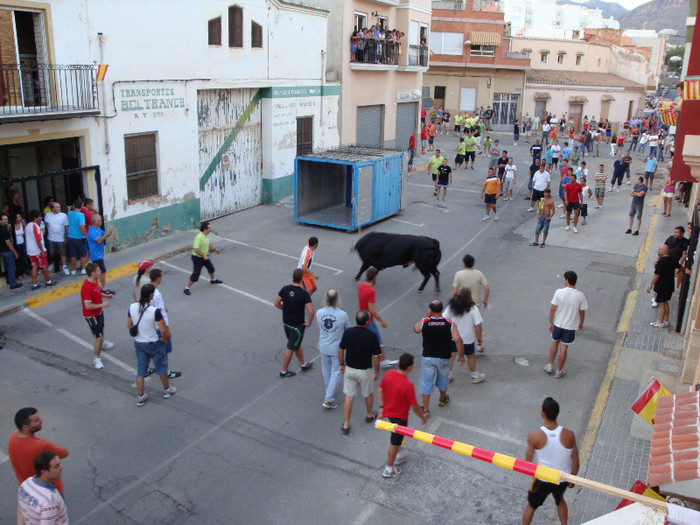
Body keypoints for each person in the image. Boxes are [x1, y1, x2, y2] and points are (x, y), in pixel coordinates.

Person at [521, 397, 579, 525]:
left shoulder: (534, 436)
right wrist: (573, 477)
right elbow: (575, 459)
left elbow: (527, 462)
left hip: (543, 479)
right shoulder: (569, 435)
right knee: (559, 500)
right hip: (562, 477)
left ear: (543, 413)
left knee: (531, 506)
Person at [377, 352, 427, 478]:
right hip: (400, 418)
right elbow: (414, 406)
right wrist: (422, 417)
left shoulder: (390, 374)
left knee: (396, 439)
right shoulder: (407, 385)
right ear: (409, 367)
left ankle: (398, 452)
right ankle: (389, 468)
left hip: (389, 413)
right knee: (394, 442)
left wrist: (382, 407)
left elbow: (379, 389)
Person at [128, 283, 176, 406]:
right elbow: (163, 329)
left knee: (141, 370)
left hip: (139, 343)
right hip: (153, 342)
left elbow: (129, 325)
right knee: (161, 367)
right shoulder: (154, 311)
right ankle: (166, 390)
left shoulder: (132, 307)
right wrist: (164, 339)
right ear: (150, 295)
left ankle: (140, 396)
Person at [414, 300, 464, 416]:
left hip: (428, 358)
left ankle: (426, 409)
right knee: (443, 379)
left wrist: (427, 315)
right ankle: (442, 399)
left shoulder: (425, 321)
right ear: (442, 310)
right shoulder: (450, 323)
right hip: (444, 358)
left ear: (430, 310)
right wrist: (461, 355)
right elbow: (458, 340)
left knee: (426, 382)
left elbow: (416, 329)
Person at [338, 310, 382, 435]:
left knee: (349, 396)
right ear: (367, 322)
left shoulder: (348, 332)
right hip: (365, 371)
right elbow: (376, 356)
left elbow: (340, 350)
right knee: (368, 394)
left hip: (350, 370)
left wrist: (342, 364)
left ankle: (346, 424)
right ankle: (369, 414)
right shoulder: (372, 336)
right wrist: (377, 371)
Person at [8, 408, 69, 495]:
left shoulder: (13, 436)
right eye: (36, 420)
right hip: (49, 491)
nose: (41, 420)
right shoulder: (42, 445)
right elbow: (65, 453)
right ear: (25, 427)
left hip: (27, 489)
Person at [544, 271, 587, 379]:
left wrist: (550, 322)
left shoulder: (559, 292)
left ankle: (549, 365)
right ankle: (559, 371)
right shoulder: (580, 296)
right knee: (564, 348)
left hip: (558, 324)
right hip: (570, 326)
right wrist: (581, 322)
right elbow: (582, 311)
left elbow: (553, 308)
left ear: (567, 280)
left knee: (555, 343)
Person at [274, 268, 314, 377]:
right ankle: (284, 371)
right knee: (291, 346)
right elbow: (311, 311)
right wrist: (309, 322)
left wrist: (285, 308)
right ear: (301, 279)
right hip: (297, 327)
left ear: (292, 276)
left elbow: (276, 303)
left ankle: (303, 363)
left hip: (286, 323)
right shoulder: (303, 294)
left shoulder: (285, 289)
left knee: (296, 343)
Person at [443, 287, 485, 384]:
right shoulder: (473, 309)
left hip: (453, 337)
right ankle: (474, 376)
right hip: (467, 338)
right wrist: (479, 338)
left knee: (451, 355)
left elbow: (444, 318)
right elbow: (478, 325)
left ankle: (448, 375)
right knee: (470, 356)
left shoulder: (451, 306)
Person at [316, 289, 349, 409]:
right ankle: (329, 398)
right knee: (336, 371)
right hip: (336, 347)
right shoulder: (342, 315)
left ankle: (329, 390)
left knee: (326, 369)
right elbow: (347, 330)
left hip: (323, 345)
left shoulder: (319, 312)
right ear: (337, 300)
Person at [357, 266, 395, 367]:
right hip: (368, 319)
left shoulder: (361, 286)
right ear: (375, 277)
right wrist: (381, 320)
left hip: (360, 315)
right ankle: (383, 360)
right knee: (378, 340)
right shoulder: (371, 291)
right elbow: (371, 309)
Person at [148, 268, 181, 379]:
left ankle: (146, 368)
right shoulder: (156, 294)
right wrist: (167, 330)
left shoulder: (147, 289)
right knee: (164, 350)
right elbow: (162, 315)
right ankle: (165, 371)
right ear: (158, 278)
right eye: (161, 276)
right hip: (158, 326)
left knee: (151, 349)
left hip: (150, 325)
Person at [17, 452, 69, 525]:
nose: (61, 467)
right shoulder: (50, 500)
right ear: (44, 472)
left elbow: (20, 510)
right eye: (57, 466)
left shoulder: (26, 484)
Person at [81, 262, 114, 370]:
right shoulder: (86, 287)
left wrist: (106, 296)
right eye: (98, 271)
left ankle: (102, 343)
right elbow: (87, 306)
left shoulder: (94, 282)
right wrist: (102, 304)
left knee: (101, 330)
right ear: (92, 273)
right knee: (98, 337)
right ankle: (97, 358)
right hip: (92, 316)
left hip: (99, 312)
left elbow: (97, 292)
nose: (100, 272)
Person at [183, 221, 223, 295]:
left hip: (205, 257)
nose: (210, 229)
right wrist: (203, 256)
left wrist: (214, 250)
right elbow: (195, 249)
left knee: (211, 268)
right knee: (196, 274)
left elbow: (208, 244)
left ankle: (213, 280)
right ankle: (186, 288)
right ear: (205, 229)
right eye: (209, 228)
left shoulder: (205, 236)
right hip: (197, 258)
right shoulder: (199, 237)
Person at [647, 244, 679, 328]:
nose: (658, 251)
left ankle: (660, 322)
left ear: (664, 251)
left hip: (662, 286)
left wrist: (650, 286)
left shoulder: (662, 261)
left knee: (661, 304)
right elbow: (679, 267)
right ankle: (666, 320)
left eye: (659, 249)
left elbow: (657, 275)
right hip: (670, 285)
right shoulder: (672, 259)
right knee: (665, 303)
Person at [24, 210, 57, 290]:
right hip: (38, 250)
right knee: (44, 265)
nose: (41, 218)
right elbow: (38, 240)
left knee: (34, 265)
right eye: (39, 216)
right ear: (35, 217)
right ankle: (48, 281)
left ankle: (34, 284)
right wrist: (42, 251)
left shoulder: (27, 226)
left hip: (31, 250)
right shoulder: (35, 226)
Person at [87, 214, 115, 295]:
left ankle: (97, 287)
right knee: (101, 271)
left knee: (98, 272)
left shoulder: (97, 229)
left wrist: (109, 231)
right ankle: (103, 288)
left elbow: (105, 234)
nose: (101, 222)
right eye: (99, 221)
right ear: (94, 221)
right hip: (96, 255)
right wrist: (107, 234)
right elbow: (99, 240)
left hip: (99, 254)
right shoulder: (92, 231)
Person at [44, 203, 70, 275]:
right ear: (53, 209)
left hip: (61, 237)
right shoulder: (48, 215)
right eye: (57, 207)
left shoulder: (63, 215)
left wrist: (65, 237)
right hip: (51, 237)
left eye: (59, 207)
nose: (59, 208)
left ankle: (64, 266)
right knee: (51, 252)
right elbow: (46, 224)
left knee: (62, 253)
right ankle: (52, 263)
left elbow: (66, 227)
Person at [0, 214, 23, 289]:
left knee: (7, 267)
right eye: (5, 219)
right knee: (11, 267)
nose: (7, 221)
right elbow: (8, 243)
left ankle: (9, 280)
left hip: (2, 251)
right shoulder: (3, 230)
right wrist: (15, 252)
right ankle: (13, 283)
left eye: (7, 219)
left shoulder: (3, 228)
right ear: (1, 221)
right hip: (7, 251)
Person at [67, 199, 88, 275]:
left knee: (73, 254)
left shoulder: (69, 213)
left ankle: (73, 270)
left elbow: (68, 214)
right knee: (83, 254)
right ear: (81, 206)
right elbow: (81, 226)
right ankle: (83, 269)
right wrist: (85, 235)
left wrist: (68, 209)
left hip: (70, 236)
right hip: (79, 237)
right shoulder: (81, 215)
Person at [665, 226, 689, 290]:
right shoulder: (670, 238)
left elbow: (684, 255)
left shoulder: (685, 242)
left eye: (677, 232)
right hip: (666, 260)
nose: (675, 233)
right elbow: (664, 248)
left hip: (674, 262)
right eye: (674, 232)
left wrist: (679, 266)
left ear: (682, 233)